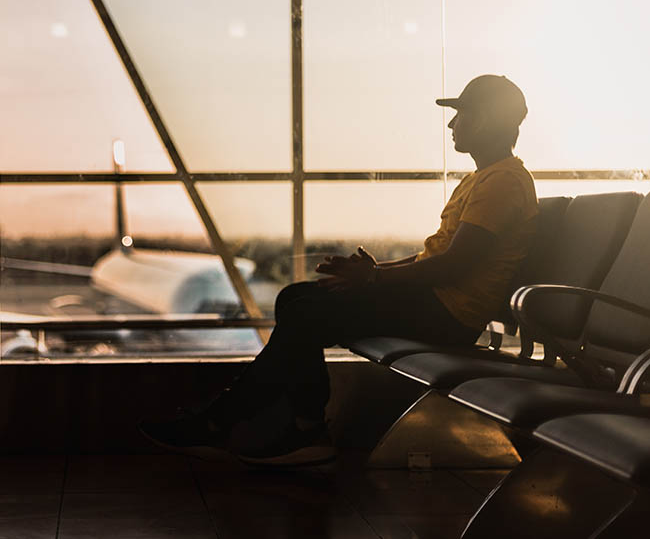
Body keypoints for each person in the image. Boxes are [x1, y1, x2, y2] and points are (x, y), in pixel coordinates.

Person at [140, 74, 538, 466]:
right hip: (435, 303)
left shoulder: (502, 182)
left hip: (448, 315)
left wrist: (376, 279)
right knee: (296, 297)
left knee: (304, 311)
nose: (452, 124)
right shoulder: (484, 179)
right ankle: (300, 427)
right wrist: (374, 271)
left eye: (461, 114)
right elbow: (435, 258)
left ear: (483, 119)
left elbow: (453, 265)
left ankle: (232, 423)